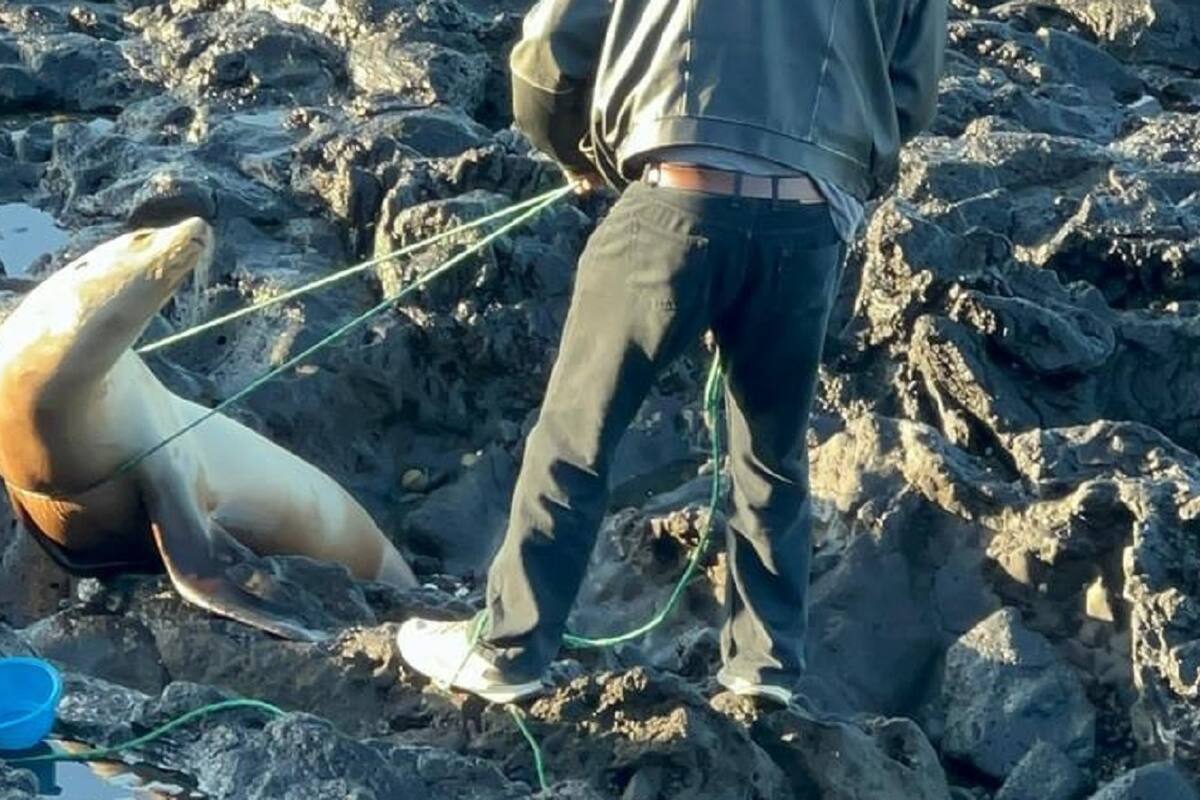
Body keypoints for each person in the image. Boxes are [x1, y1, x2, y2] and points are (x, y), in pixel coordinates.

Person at [397, 0, 948, 705]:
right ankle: (766, 666)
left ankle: (510, 648)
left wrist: (581, 155)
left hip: (673, 205)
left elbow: (547, 59)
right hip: (808, 226)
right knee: (770, 455)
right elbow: (910, 92)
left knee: (575, 439)